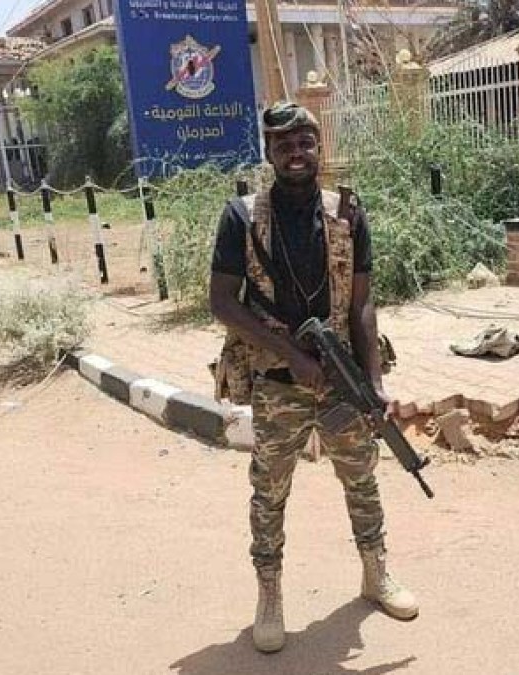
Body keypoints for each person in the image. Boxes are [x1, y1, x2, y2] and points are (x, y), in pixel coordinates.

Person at [208, 101, 418, 654]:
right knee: (269, 490)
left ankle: (376, 574)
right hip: (278, 380)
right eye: (284, 145)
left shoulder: (347, 213)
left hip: (341, 376)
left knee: (362, 478)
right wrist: (291, 354)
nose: (296, 153)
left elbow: (363, 304)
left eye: (305, 142)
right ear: (269, 152)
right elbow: (222, 302)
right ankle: (269, 595)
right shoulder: (241, 217)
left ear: (318, 147)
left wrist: (373, 382)